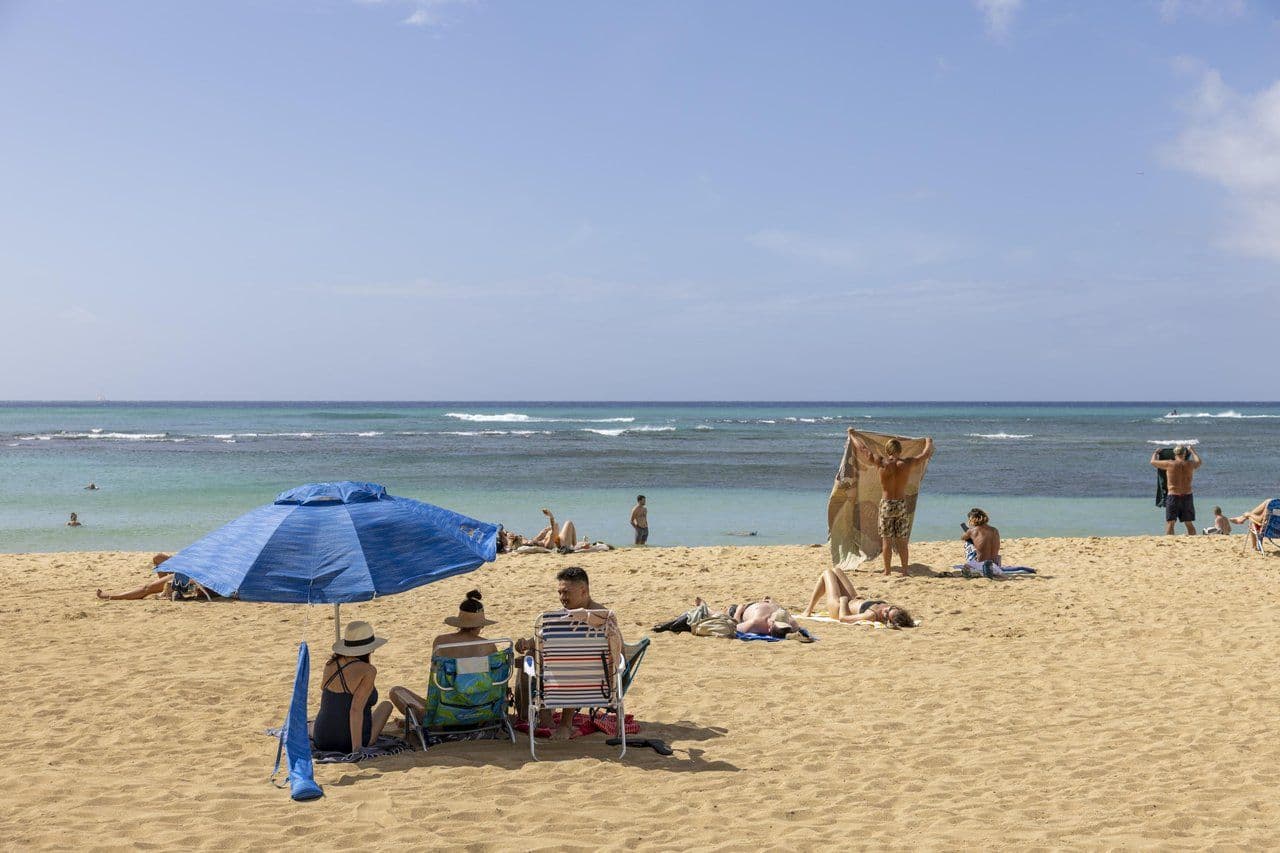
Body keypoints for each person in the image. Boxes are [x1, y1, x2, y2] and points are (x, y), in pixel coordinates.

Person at [515, 567, 622, 740]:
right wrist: (527, 643)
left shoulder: (594, 619)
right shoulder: (605, 619)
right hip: (598, 686)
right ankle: (556, 721)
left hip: (581, 681)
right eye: (559, 593)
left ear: (584, 591)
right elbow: (620, 654)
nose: (562, 598)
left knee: (530, 659)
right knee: (541, 656)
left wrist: (529, 648)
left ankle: (547, 719)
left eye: (566, 592)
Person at [389, 590, 499, 723]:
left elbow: (437, 677)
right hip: (482, 710)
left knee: (396, 691)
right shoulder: (489, 646)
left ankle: (416, 721)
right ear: (481, 624)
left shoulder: (441, 643)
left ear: (459, 622)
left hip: (444, 712)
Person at [847, 430, 935, 575]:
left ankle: (887, 571)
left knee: (886, 540)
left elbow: (863, 450)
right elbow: (925, 454)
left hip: (887, 505)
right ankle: (905, 571)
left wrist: (852, 436)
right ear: (900, 450)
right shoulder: (906, 463)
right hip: (900, 504)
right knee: (902, 540)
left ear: (887, 450)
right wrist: (928, 441)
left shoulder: (881, 462)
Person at [313, 621, 394, 755]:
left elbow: (324, 690)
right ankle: (355, 744)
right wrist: (357, 749)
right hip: (349, 741)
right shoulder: (368, 671)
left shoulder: (330, 664)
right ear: (370, 648)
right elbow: (355, 709)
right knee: (386, 705)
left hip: (321, 739)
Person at [803, 566, 915, 629]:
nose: (885, 610)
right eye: (890, 609)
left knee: (827, 573)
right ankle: (809, 609)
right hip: (853, 599)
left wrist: (843, 601)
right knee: (837, 570)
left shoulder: (871, 615)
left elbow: (843, 618)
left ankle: (808, 610)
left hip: (839, 607)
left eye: (886, 615)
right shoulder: (886, 607)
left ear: (886, 621)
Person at [1150, 445, 1201, 535]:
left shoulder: (1169, 464)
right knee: (1188, 522)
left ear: (1174, 454)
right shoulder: (1190, 464)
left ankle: (1170, 543)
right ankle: (1194, 541)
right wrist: (1192, 451)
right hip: (1187, 496)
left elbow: (1153, 462)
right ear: (1185, 453)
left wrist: (1156, 453)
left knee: (1171, 522)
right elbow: (1199, 462)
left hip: (1173, 496)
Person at [97, 553, 175, 600]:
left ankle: (113, 597)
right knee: (158, 558)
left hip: (183, 575)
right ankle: (166, 590)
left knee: (147, 588)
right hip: (183, 568)